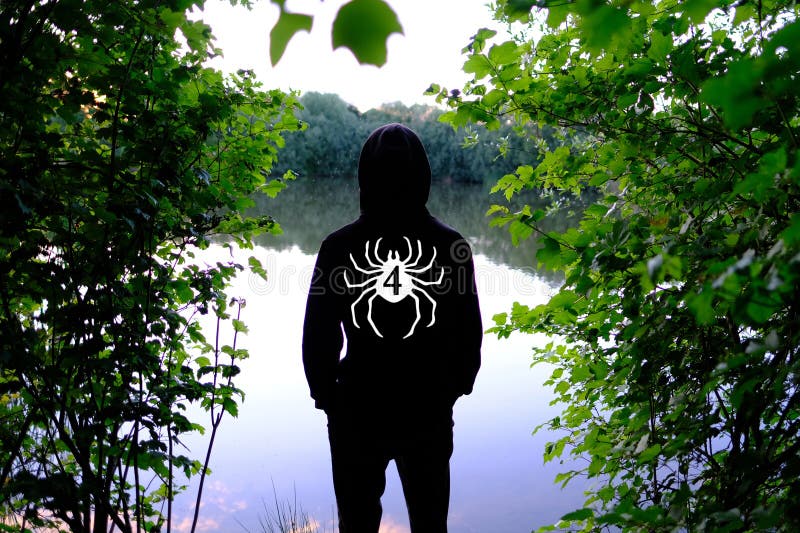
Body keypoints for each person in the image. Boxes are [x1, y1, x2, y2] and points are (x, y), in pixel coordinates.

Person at [302, 123, 482, 533]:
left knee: (357, 522)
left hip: (357, 404)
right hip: (427, 403)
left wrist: (326, 394)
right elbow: (467, 334)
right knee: (430, 521)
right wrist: (454, 387)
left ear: (366, 176)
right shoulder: (451, 245)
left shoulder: (338, 246)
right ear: (424, 176)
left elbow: (319, 334)